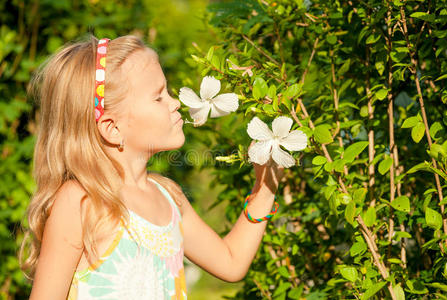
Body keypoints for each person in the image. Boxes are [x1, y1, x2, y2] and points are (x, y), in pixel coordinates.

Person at [19, 35, 284, 300]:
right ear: (113, 128)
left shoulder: (170, 198)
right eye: (158, 98)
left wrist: (266, 188)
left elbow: (231, 262)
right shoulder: (83, 201)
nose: (175, 103)